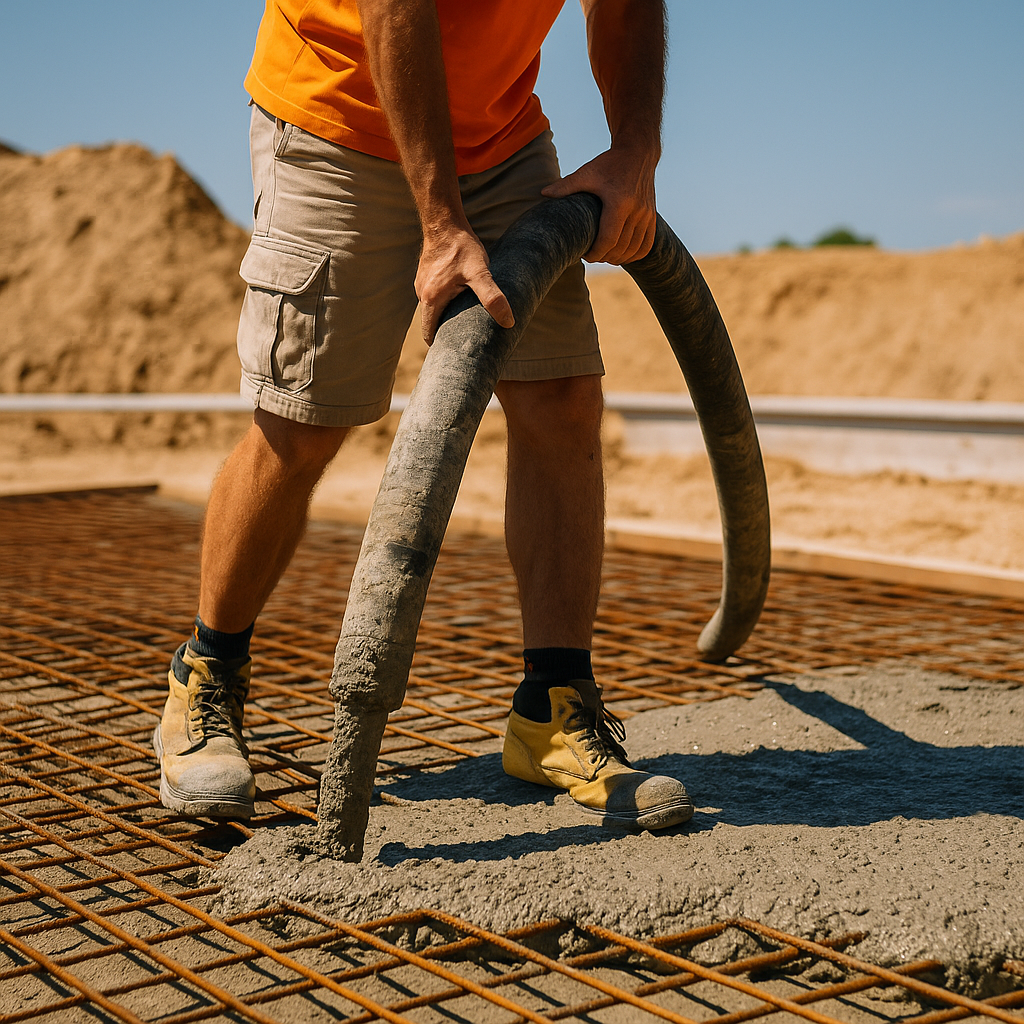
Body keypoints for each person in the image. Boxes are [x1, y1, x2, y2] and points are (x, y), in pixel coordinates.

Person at [154, 0, 693, 831]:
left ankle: (551, 708)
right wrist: (440, 221)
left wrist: (635, 153)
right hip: (340, 114)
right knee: (303, 424)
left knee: (561, 398)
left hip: (500, 134)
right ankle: (206, 677)